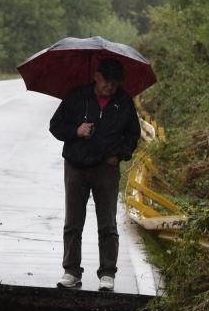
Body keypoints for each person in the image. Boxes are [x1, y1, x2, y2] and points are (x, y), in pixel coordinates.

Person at [48, 57, 141, 291]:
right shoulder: (77, 96)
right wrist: (76, 130)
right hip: (76, 166)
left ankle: (107, 273)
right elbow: (55, 125)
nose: (110, 87)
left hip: (106, 169)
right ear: (96, 76)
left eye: (114, 83)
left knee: (107, 223)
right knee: (73, 222)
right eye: (106, 82)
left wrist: (119, 155)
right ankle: (71, 271)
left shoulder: (123, 102)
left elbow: (133, 135)